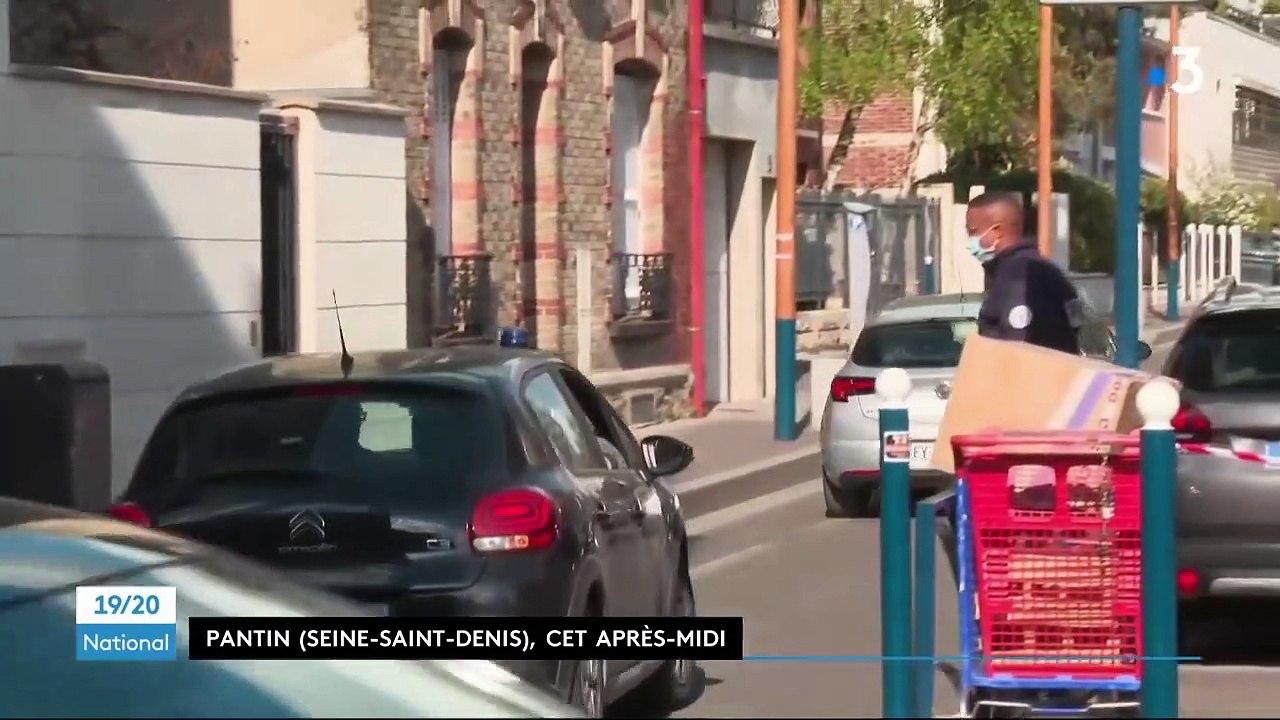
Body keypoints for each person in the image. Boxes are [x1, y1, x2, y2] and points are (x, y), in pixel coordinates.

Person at [965, 191, 1084, 355]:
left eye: (973, 231)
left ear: (997, 231)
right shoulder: (1046, 270)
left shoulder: (1016, 278)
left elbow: (1016, 346)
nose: (969, 240)